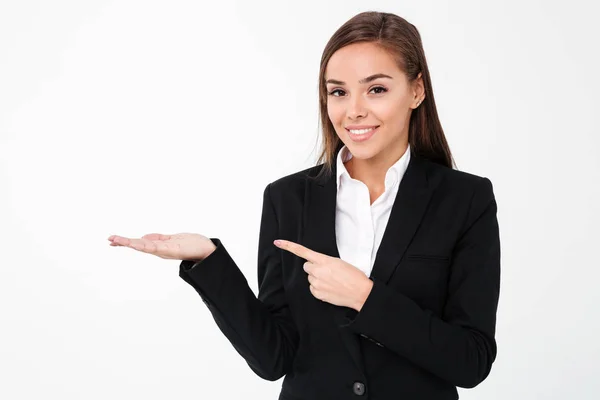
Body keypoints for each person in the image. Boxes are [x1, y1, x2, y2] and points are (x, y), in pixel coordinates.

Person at [108, 10, 501, 400]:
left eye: (376, 89)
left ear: (416, 90)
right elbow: (273, 358)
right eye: (338, 91)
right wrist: (209, 261)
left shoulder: (466, 200)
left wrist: (365, 297)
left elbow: (471, 361)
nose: (354, 110)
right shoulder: (287, 199)